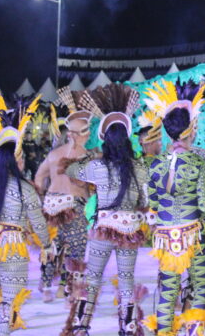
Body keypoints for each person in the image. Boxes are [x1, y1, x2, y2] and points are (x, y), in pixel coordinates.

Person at [63, 83, 148, 336]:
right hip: (129, 229)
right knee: (126, 279)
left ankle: (80, 326)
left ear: (104, 139)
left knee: (93, 278)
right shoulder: (138, 167)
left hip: (102, 228)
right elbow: (144, 198)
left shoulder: (97, 167)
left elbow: (71, 171)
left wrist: (86, 156)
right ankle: (129, 326)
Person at [0, 93, 54, 335]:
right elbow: (38, 222)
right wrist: (47, 245)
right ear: (16, 159)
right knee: (8, 301)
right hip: (12, 245)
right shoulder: (24, 188)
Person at [141, 79, 205, 335]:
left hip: (165, 236)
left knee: (168, 290)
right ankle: (193, 331)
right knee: (202, 284)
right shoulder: (197, 161)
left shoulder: (156, 164)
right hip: (193, 234)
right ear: (191, 129)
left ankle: (164, 332)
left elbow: (153, 203)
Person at [34, 88, 96, 303]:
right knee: (76, 248)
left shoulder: (53, 154)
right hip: (75, 206)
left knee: (53, 247)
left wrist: (42, 200)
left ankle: (47, 287)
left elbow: (38, 179)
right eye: (87, 133)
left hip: (51, 206)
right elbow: (91, 187)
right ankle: (70, 289)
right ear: (83, 134)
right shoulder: (87, 157)